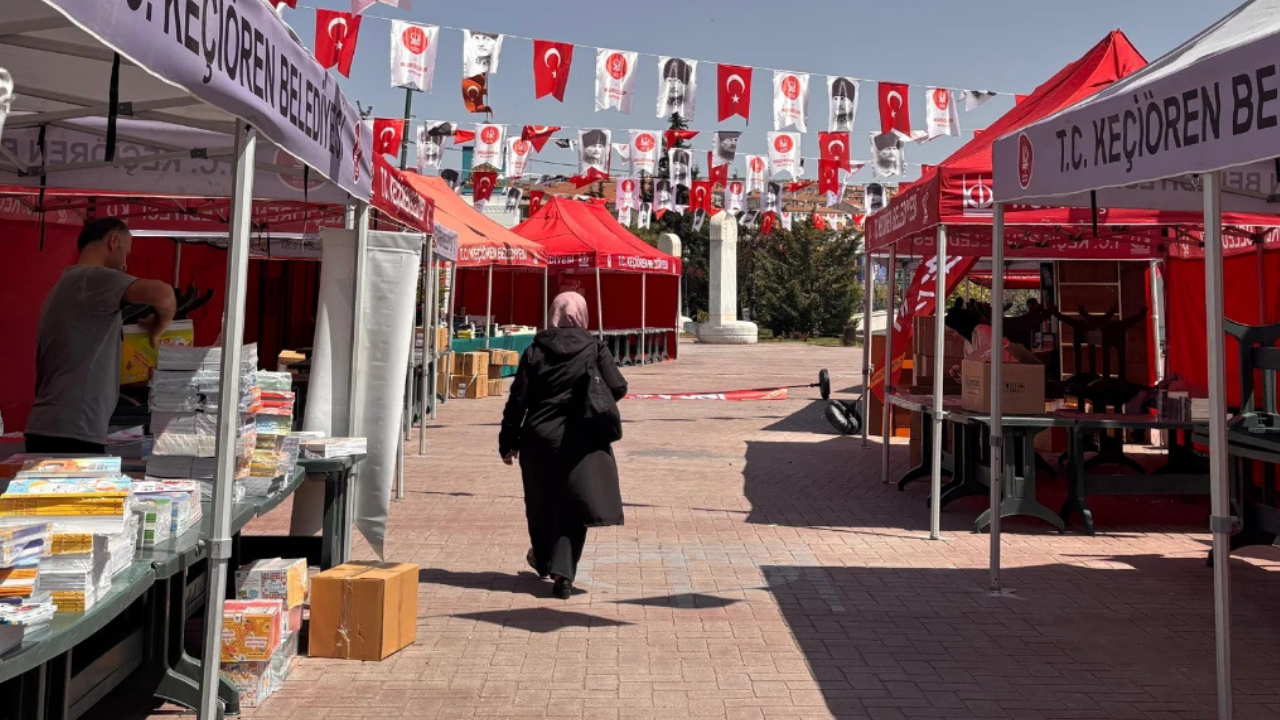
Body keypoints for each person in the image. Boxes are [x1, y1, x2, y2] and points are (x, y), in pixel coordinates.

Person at [500, 292, 627, 599]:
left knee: (541, 504)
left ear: (553, 313)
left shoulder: (534, 350)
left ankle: (543, 559)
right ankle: (564, 573)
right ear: (582, 314)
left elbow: (518, 400)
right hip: (580, 438)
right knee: (574, 506)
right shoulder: (595, 348)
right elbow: (618, 386)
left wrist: (508, 440)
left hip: (538, 439)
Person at [26, 218, 176, 454]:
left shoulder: (72, 283)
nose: (126, 265)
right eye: (126, 253)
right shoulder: (91, 278)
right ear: (114, 241)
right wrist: (161, 324)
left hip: (62, 426)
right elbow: (164, 295)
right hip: (72, 432)